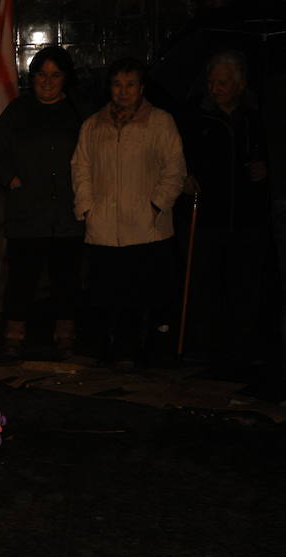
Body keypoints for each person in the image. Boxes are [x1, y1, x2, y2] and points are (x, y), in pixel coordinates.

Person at [71, 57, 186, 367]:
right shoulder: (93, 124)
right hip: (105, 227)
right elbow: (80, 167)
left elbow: (175, 168)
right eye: (117, 84)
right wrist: (86, 207)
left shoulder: (160, 122)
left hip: (145, 227)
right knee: (104, 292)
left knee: (140, 294)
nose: (123, 92)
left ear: (142, 87)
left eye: (130, 85)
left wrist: (156, 204)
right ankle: (100, 347)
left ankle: (133, 351)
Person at [0, 46, 85, 360]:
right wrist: (11, 179)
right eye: (42, 74)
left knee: (66, 279)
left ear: (66, 79)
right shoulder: (18, 111)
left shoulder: (77, 112)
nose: (47, 81)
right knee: (22, 279)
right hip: (27, 211)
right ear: (33, 77)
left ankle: (65, 336)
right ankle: (14, 336)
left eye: (55, 75)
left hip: (66, 212)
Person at [181, 51, 269, 366]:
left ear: (240, 85)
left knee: (245, 288)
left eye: (223, 83)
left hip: (248, 218)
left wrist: (266, 169)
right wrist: (185, 177)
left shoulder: (257, 117)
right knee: (205, 287)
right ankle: (203, 350)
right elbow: (179, 158)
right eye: (211, 81)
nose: (215, 88)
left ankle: (241, 350)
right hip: (208, 216)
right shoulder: (196, 117)